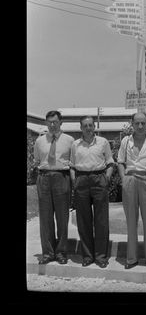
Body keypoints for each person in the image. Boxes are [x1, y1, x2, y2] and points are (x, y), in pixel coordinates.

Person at [117, 112, 146, 269]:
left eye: (143, 123)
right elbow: (120, 161)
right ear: (132, 124)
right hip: (130, 179)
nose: (140, 126)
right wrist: (124, 179)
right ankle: (131, 259)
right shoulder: (125, 141)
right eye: (136, 123)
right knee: (131, 221)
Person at [70, 116, 114, 268]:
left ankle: (101, 256)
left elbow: (110, 163)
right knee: (83, 220)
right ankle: (88, 256)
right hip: (81, 180)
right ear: (81, 128)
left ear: (94, 126)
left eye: (90, 125)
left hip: (99, 178)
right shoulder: (75, 145)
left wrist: (106, 178)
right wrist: (75, 181)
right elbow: (72, 166)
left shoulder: (103, 142)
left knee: (101, 220)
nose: (88, 128)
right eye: (85, 125)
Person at [34, 110, 74, 265]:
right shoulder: (39, 141)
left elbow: (72, 162)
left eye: (55, 121)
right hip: (44, 177)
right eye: (49, 121)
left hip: (61, 177)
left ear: (60, 122)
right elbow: (37, 159)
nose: (52, 124)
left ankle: (61, 252)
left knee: (62, 217)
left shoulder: (70, 140)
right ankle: (48, 253)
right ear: (46, 123)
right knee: (45, 218)